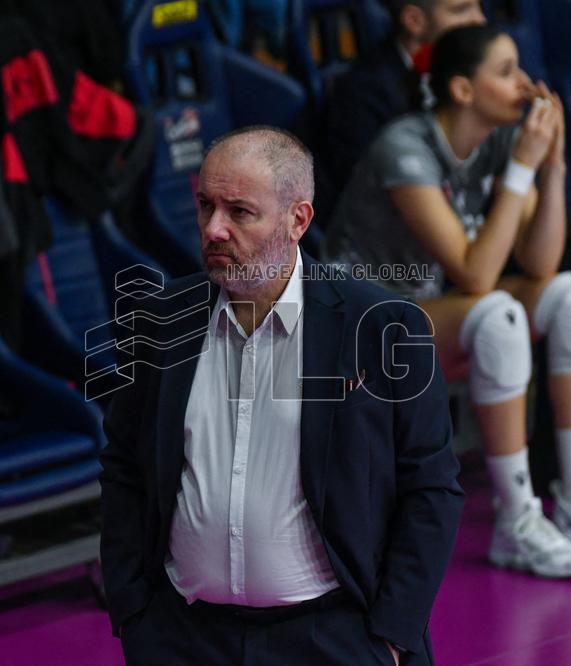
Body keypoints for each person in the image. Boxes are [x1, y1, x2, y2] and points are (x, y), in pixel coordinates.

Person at [100, 126, 464, 665]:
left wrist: (392, 634)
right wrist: (134, 613)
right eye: (205, 205)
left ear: (298, 219)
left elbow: (431, 487)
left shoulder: (383, 327)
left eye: (240, 212)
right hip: (183, 637)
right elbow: (125, 467)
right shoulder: (160, 320)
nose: (213, 229)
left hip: (334, 638)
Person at [326, 25, 571, 578]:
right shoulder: (405, 147)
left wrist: (551, 167)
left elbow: (541, 264)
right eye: (506, 71)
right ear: (463, 90)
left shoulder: (499, 144)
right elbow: (477, 272)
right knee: (499, 316)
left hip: (431, 313)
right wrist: (520, 170)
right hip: (358, 324)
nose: (527, 85)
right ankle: (517, 521)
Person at [322, 0, 485, 197]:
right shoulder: (364, 93)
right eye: (462, 10)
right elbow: (371, 192)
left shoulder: (472, 73)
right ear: (414, 20)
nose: (480, 20)